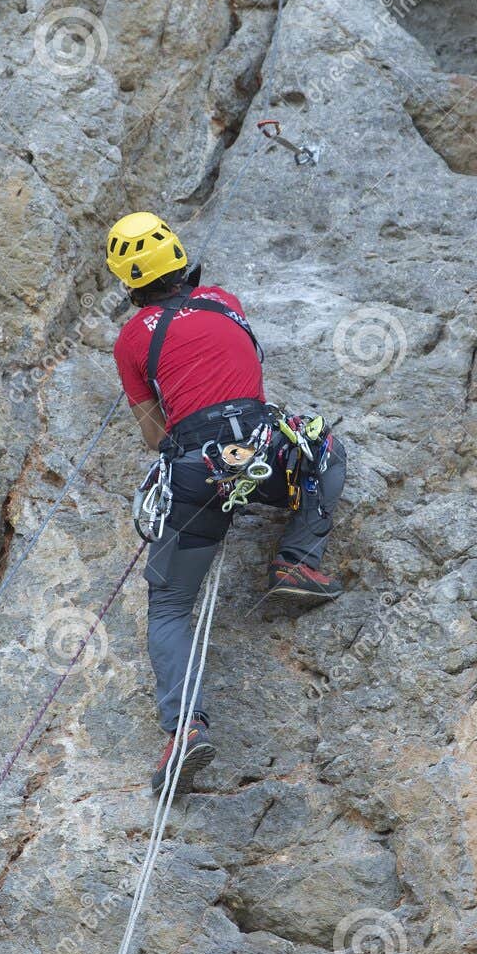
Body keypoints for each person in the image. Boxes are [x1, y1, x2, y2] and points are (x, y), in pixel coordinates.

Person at [106, 211, 347, 794]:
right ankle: (296, 558)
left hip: (196, 471)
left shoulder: (131, 340)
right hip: (265, 450)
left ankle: (185, 728)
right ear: (180, 259)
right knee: (326, 451)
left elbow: (154, 433)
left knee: (169, 605)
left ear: (127, 282)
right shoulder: (222, 299)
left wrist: (192, 456)